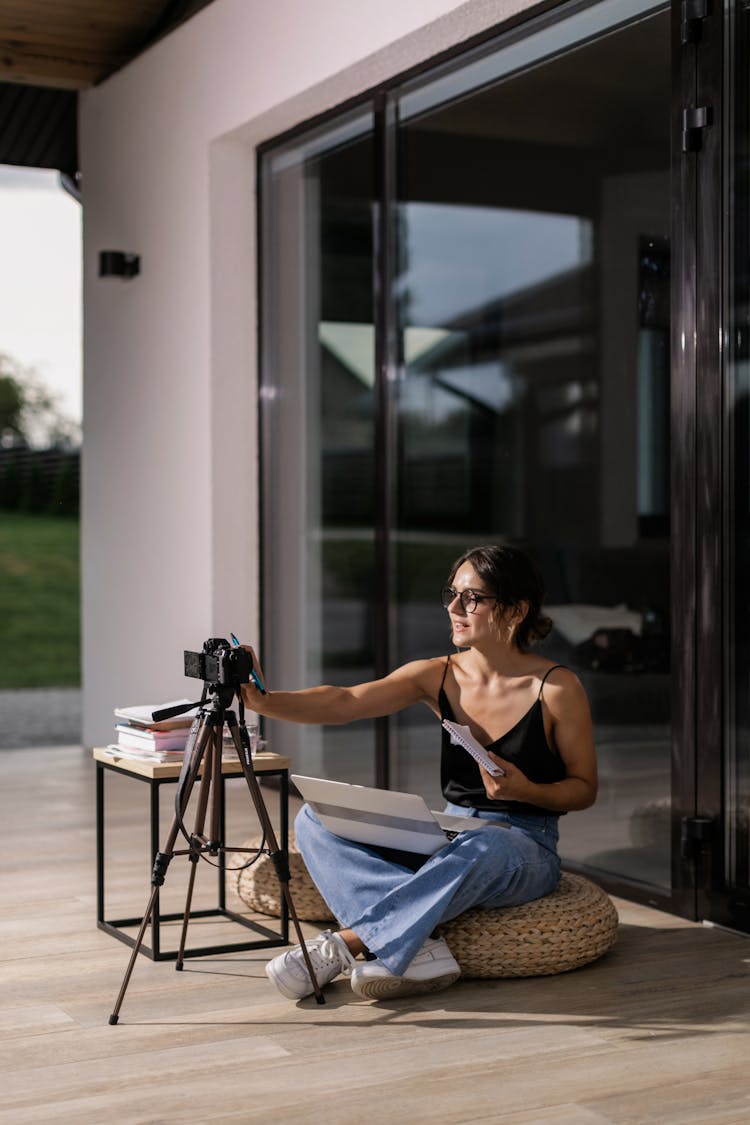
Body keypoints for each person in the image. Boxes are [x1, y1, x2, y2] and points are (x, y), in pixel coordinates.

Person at [240, 544, 597, 1002]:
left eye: (471, 598)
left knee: (486, 841)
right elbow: (346, 702)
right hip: (449, 831)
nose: (453, 608)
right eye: (452, 594)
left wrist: (527, 790)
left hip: (523, 845)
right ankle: (421, 950)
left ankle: (348, 943)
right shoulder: (438, 675)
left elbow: (584, 790)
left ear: (515, 609)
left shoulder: (557, 688)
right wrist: (264, 701)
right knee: (315, 818)